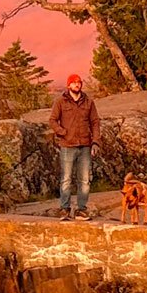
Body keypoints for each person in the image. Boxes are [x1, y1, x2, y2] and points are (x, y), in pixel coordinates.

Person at [48, 72, 100, 220]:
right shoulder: (60, 102)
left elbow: (95, 122)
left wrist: (95, 141)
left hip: (85, 145)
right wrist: (62, 132)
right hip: (67, 145)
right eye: (74, 82)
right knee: (66, 178)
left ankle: (81, 210)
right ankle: (64, 209)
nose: (77, 84)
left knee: (84, 179)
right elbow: (52, 120)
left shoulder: (89, 102)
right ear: (68, 85)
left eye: (79, 82)